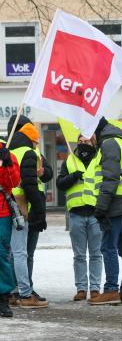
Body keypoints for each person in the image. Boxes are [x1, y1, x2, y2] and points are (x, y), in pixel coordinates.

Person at [87, 118, 122, 305]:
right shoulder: (121, 141)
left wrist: (101, 206)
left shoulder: (109, 144)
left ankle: (110, 290)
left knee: (108, 246)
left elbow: (110, 178)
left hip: (116, 204)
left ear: (96, 131)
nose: (88, 138)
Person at [7, 116, 50, 308]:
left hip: (9, 204)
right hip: (24, 207)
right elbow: (30, 184)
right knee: (21, 252)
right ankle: (24, 293)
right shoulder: (28, 152)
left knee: (15, 253)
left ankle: (15, 291)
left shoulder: (10, 150)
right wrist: (38, 211)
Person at [56, 135, 101, 301]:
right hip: (76, 214)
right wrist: (73, 176)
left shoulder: (99, 159)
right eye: (80, 142)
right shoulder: (70, 161)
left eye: (86, 141)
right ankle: (81, 288)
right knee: (79, 255)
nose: (83, 144)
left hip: (96, 214)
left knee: (96, 254)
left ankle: (95, 288)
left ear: (93, 142)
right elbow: (60, 184)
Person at [0, 141, 21, 317]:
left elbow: (14, 181)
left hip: (2, 214)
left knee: (2, 255)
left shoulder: (7, 154)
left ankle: (3, 297)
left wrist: (7, 164)